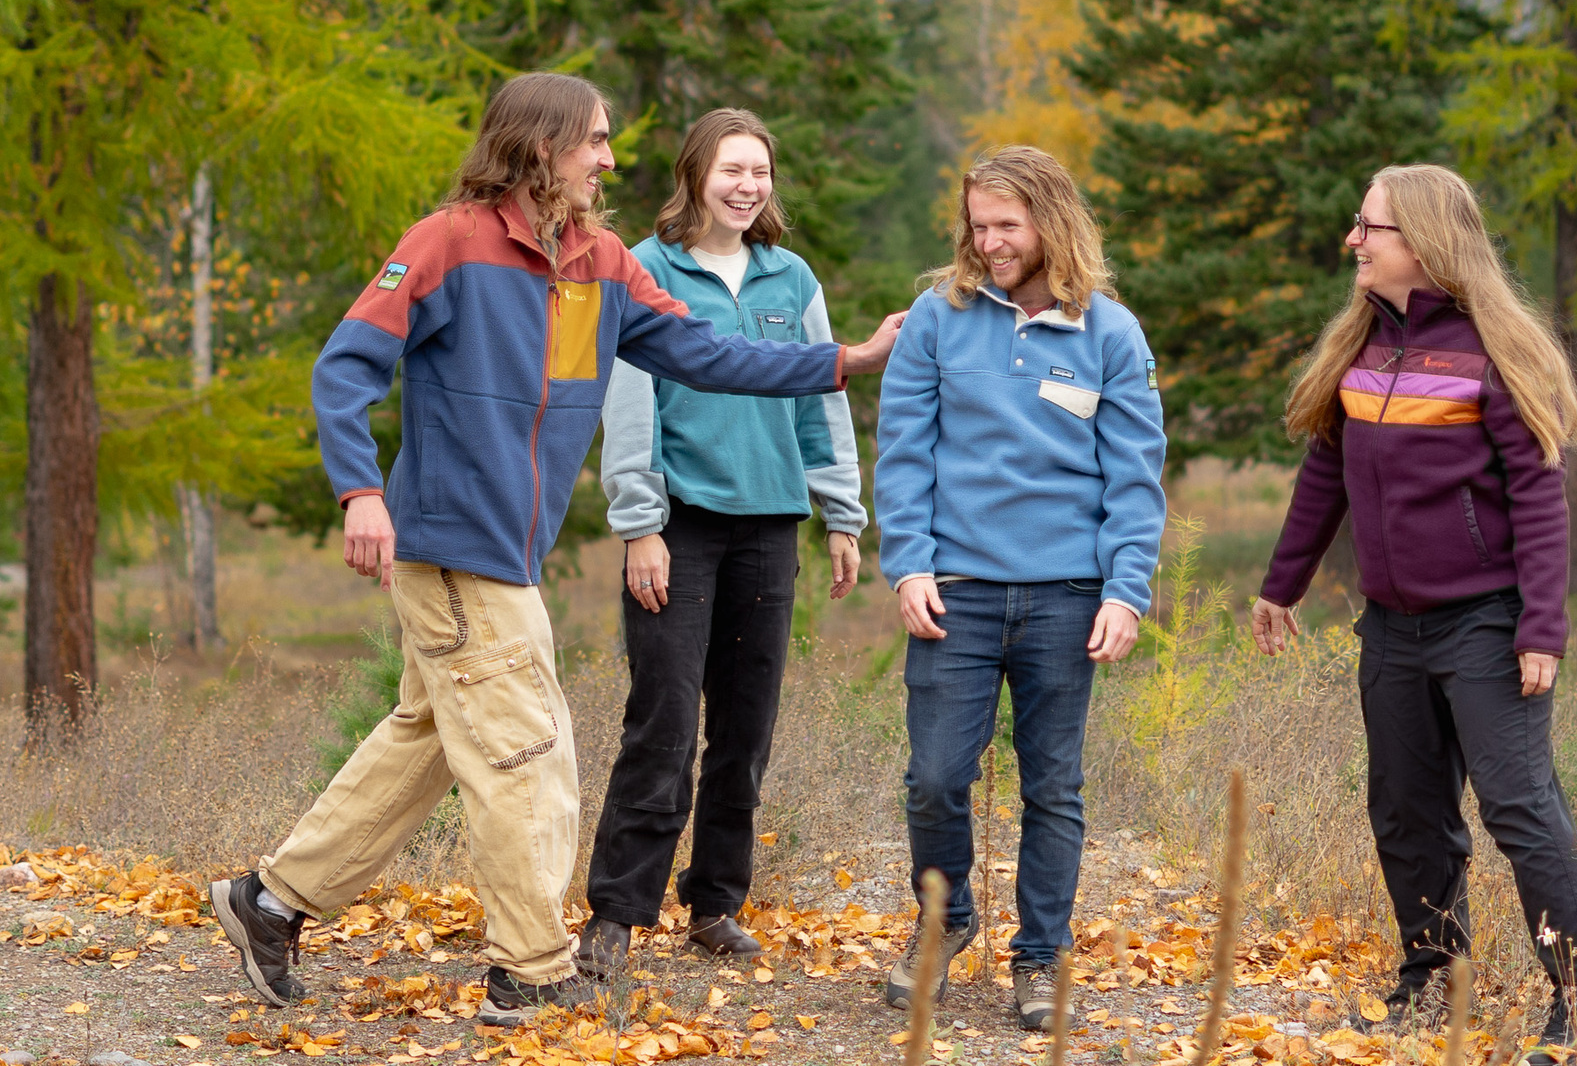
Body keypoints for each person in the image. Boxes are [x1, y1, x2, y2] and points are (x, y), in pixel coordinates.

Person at [207, 73, 903, 1027]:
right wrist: (360, 492)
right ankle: (530, 969)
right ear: (540, 146)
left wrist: (845, 362)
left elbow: (705, 354)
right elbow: (346, 368)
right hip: (451, 542)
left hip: (511, 549)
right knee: (528, 748)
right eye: (597, 142)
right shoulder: (447, 243)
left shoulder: (602, 262)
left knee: (432, 741)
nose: (611, 160)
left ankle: (271, 902)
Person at [1250, 164, 1577, 1059]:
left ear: (1422, 242)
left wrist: (1542, 629)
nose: (1354, 242)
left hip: (1486, 625)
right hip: (1391, 627)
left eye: (1368, 228)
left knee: (1521, 809)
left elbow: (1539, 499)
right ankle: (1430, 981)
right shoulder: (1362, 348)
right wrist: (1282, 583)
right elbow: (1325, 474)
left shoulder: (1493, 351)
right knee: (1407, 811)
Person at [874, 145, 1166, 1030]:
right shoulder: (936, 319)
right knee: (934, 777)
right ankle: (946, 920)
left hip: (1067, 596)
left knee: (1055, 787)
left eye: (1008, 225)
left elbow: (1136, 475)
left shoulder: (1110, 333)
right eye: (979, 225)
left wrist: (1127, 588)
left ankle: (1039, 959)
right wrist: (910, 563)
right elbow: (904, 451)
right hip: (955, 590)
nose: (991, 241)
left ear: (1051, 222)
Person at [576, 109, 869, 973]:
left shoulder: (791, 280)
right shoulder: (645, 269)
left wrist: (840, 513)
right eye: (732, 170)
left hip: (770, 527)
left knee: (745, 728)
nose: (748, 187)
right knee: (663, 721)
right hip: (679, 528)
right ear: (695, 175)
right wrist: (641, 526)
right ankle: (617, 916)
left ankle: (714, 905)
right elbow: (629, 409)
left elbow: (823, 400)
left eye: (761, 173)